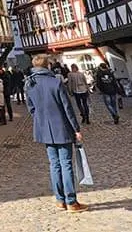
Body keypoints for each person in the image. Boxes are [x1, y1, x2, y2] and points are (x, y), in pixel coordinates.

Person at [27, 54, 88, 212]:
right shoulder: (55, 82)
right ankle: (71, 201)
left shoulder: (30, 84)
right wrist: (76, 129)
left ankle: (60, 200)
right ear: (48, 66)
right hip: (62, 128)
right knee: (66, 164)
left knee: (54, 165)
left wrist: (40, 121)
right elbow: (67, 108)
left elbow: (31, 109)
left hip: (44, 130)